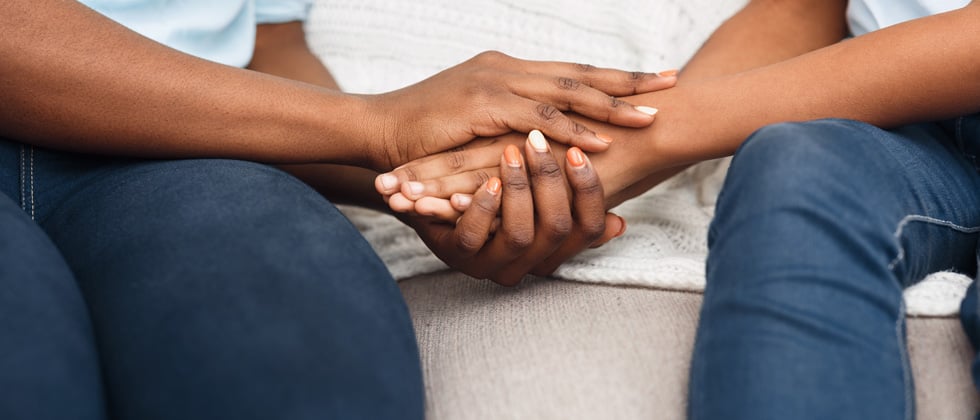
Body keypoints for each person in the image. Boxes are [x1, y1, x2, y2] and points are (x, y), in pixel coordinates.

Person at [1, 1, 677, 419]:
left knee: (307, 382)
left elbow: (270, 50)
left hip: (194, 148)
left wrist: (417, 184)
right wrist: (377, 125)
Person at [384, 0, 980, 418]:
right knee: (793, 162)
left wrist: (653, 136)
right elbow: (804, 5)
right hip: (903, 118)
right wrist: (595, 158)